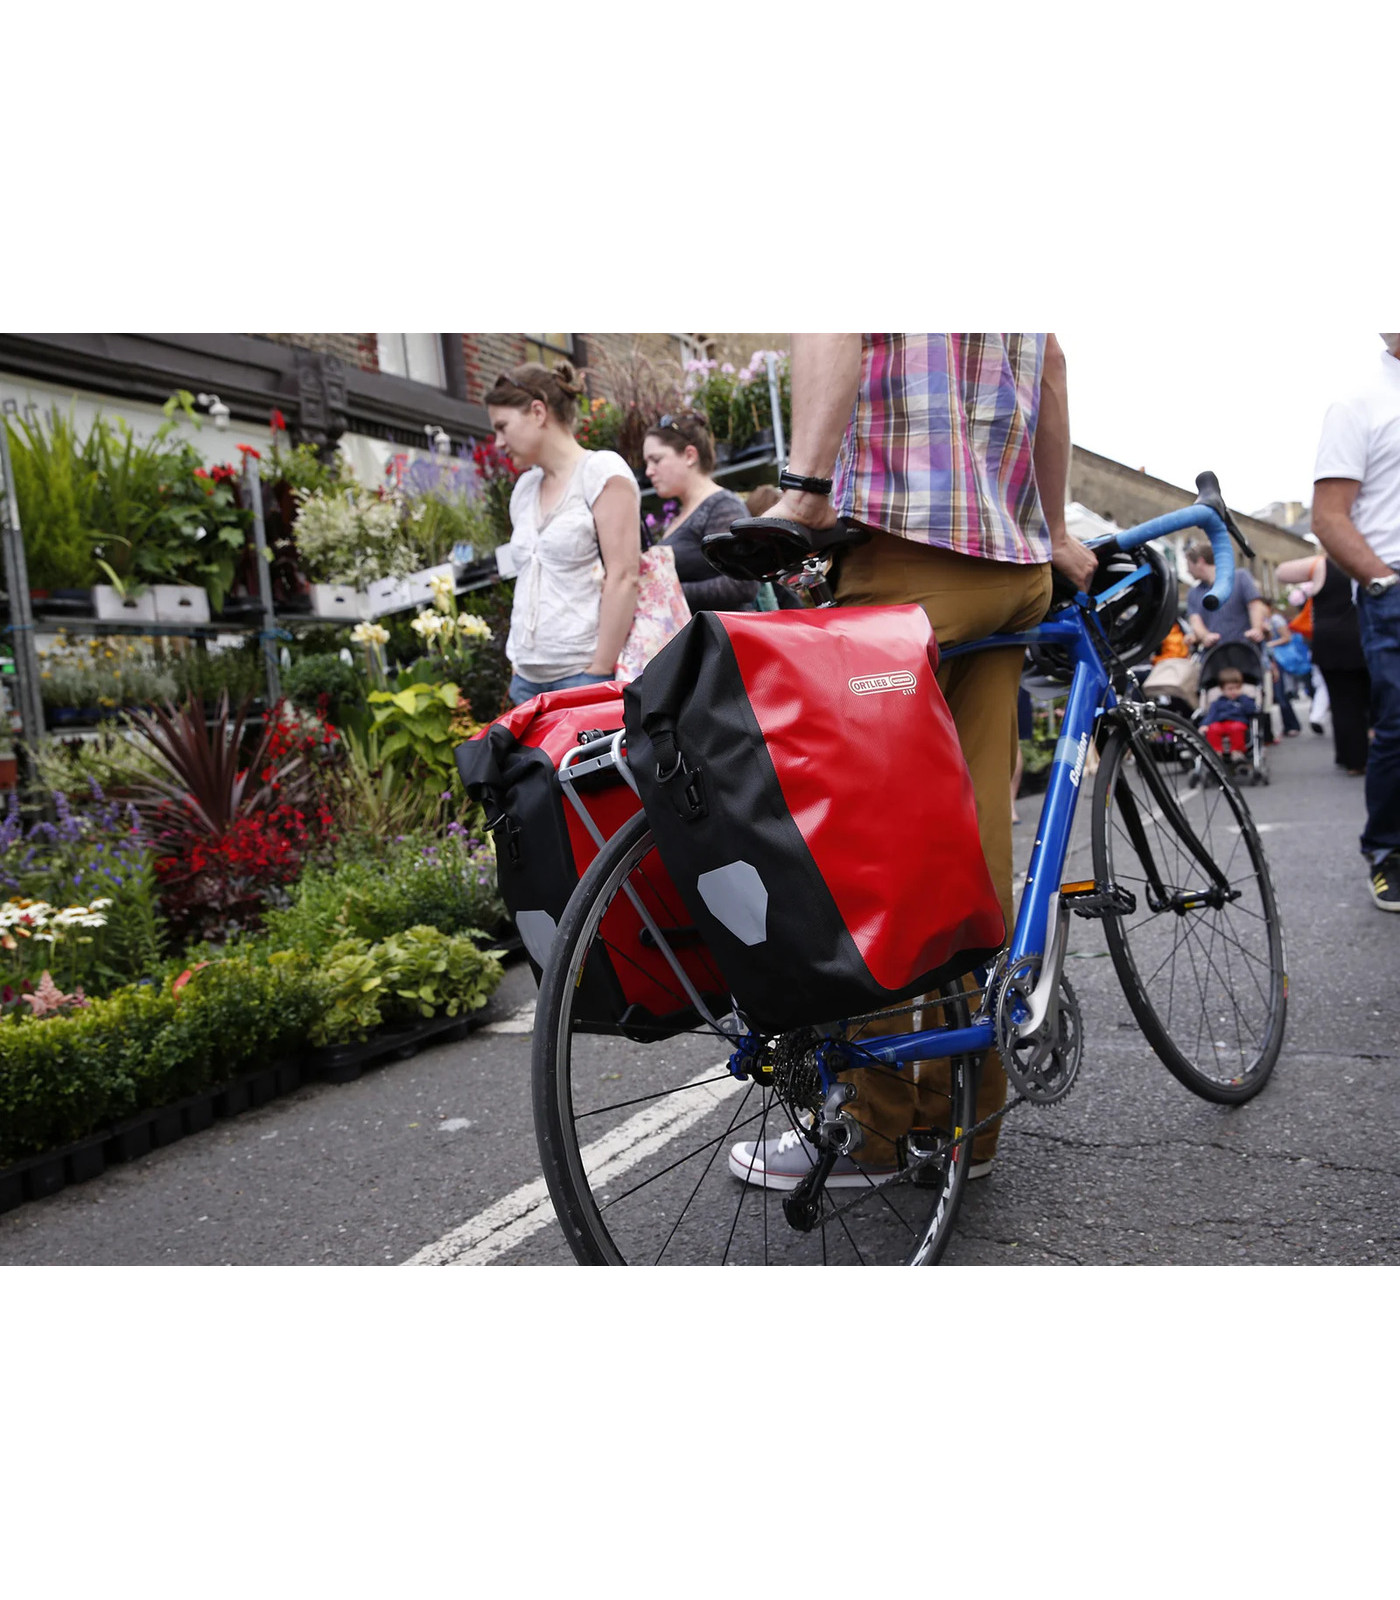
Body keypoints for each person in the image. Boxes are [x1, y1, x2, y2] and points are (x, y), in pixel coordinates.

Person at [725, 332, 1097, 1189]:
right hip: (1009, 566)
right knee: (974, 836)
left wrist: (806, 492)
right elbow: (1050, 364)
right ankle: (969, 1119)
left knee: (871, 856)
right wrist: (1052, 529)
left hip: (904, 551)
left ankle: (875, 1128)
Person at [487, 362, 640, 706]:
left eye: (502, 427)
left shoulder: (600, 471)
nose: (498, 443)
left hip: (581, 677)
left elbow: (624, 575)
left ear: (538, 412)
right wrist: (517, 666)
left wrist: (599, 670)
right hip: (525, 680)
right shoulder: (525, 489)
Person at [1310, 333, 1400, 909]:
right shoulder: (1360, 403)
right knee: (1398, 724)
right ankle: (1388, 849)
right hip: (1392, 582)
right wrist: (1383, 581)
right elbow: (1328, 517)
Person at [640, 412, 757, 613]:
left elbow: (743, 584)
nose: (648, 471)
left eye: (656, 460)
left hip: (721, 632)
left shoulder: (722, 507)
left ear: (690, 456)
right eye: (646, 463)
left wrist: (667, 594)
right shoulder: (682, 515)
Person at [1277, 552, 1371, 775]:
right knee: (1365, 700)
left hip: (1330, 641)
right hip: (1361, 636)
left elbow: (1281, 572)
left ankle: (1349, 757)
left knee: (1340, 702)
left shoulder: (1322, 565)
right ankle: (1364, 754)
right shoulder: (1367, 559)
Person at [1184, 541, 1268, 647]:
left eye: (1189, 565)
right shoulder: (1193, 593)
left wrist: (1256, 629)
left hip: (1246, 648)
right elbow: (1195, 620)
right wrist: (1205, 636)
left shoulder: (1240, 577)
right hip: (1216, 651)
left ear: (1200, 562)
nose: (1188, 570)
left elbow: (1255, 605)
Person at [1199, 666, 1257, 759]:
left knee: (1237, 728)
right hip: (1221, 723)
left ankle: (1237, 752)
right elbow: (1211, 715)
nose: (1234, 691)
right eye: (1230, 689)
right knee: (1213, 729)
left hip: (1238, 721)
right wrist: (1205, 725)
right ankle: (1216, 752)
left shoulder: (1244, 699)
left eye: (1237, 688)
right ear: (1222, 690)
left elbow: (1251, 710)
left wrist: (1243, 698)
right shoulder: (1217, 702)